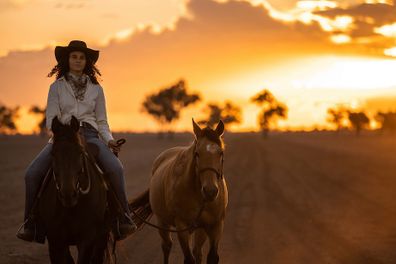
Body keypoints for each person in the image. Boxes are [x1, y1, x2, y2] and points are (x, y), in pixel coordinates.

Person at [17, 40, 136, 242]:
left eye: (82, 57)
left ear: (87, 61)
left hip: (90, 135)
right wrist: (63, 133)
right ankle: (31, 223)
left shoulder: (97, 89)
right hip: (63, 137)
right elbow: (51, 118)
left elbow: (102, 121)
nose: (78, 60)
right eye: (74, 56)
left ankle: (123, 218)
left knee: (116, 169)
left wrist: (109, 140)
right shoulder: (56, 87)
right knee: (32, 174)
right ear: (67, 60)